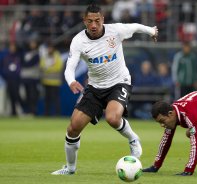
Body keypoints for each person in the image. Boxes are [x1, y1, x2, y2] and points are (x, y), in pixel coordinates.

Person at [51, 4, 158, 175]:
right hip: (95, 87)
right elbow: (70, 66)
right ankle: (70, 169)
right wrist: (71, 81)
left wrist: (152, 31)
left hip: (119, 82)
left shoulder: (115, 31)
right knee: (73, 128)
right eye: (90, 21)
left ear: (103, 20)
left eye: (97, 21)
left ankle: (133, 139)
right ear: (84, 21)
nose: (94, 25)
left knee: (113, 118)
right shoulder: (78, 41)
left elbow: (136, 27)